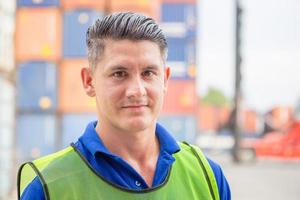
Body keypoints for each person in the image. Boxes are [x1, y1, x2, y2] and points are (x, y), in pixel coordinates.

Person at [18, 12, 231, 200]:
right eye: (119, 74)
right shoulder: (47, 188)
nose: (137, 90)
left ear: (165, 80)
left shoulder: (207, 176)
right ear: (89, 81)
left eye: (148, 73)